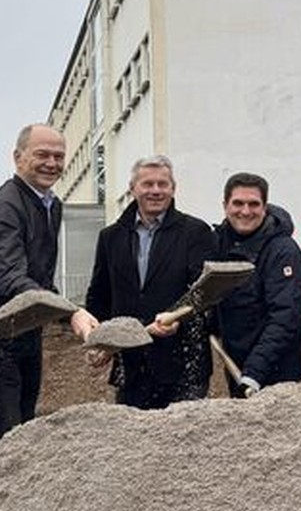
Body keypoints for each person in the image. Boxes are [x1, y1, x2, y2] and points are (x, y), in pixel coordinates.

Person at [0, 124, 97, 448]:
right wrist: (71, 312)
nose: (52, 163)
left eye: (58, 156)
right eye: (42, 154)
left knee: (24, 428)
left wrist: (69, 313)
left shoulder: (50, 205)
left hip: (25, 332)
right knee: (2, 439)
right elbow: (10, 278)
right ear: (18, 158)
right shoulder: (3, 208)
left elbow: (41, 277)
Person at [85, 155, 216, 409]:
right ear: (133, 188)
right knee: (133, 442)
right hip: (131, 363)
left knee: (182, 443)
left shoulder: (195, 232)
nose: (155, 191)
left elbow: (202, 294)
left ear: (173, 189)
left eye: (162, 184)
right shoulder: (111, 237)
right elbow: (99, 296)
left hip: (183, 363)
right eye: (147, 184)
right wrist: (99, 339)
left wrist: (177, 318)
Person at [212, 173, 301, 396]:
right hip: (238, 368)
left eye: (253, 204)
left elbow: (286, 315)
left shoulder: (283, 251)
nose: (245, 211)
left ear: (265, 207)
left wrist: (255, 371)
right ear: (225, 205)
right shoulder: (218, 244)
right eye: (238, 203)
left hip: (277, 374)